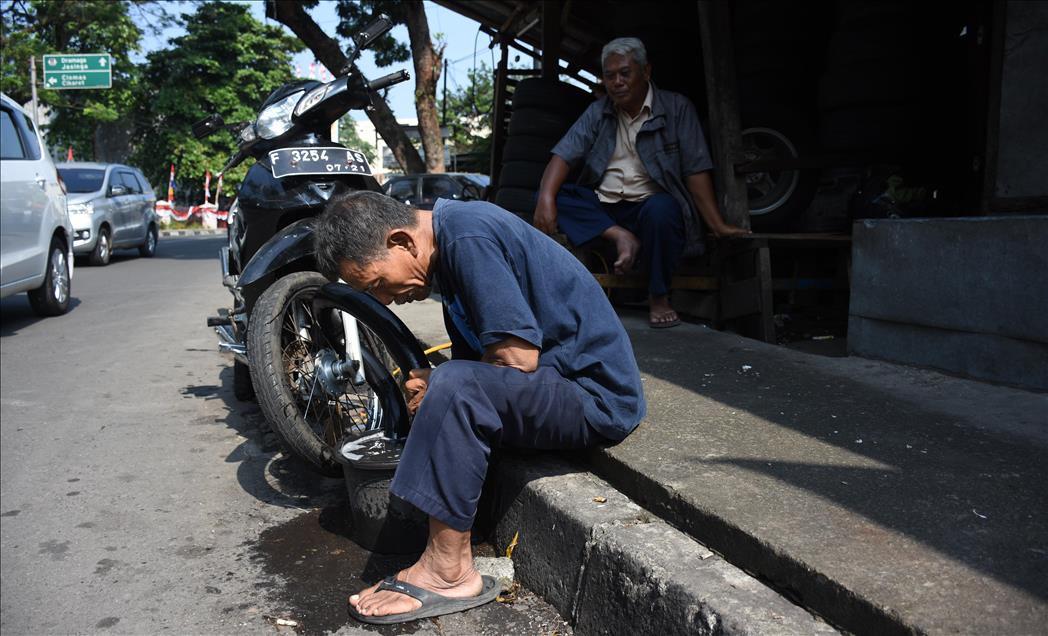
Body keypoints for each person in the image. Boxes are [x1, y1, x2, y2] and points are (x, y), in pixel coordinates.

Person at [313, 190, 646, 624]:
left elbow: (517, 359)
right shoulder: (450, 248)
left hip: (593, 397)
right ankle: (439, 545)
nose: (386, 299)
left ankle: (448, 572)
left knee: (455, 386)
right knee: (447, 382)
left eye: (377, 283)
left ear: (402, 241)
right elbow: (495, 359)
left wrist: (445, 381)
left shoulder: (467, 235)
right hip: (553, 382)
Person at [534, 37, 750, 329]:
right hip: (605, 210)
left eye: (625, 73)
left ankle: (658, 297)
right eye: (610, 76)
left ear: (646, 72)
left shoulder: (676, 109)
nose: (617, 82)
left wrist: (717, 225)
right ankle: (621, 237)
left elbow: (696, 172)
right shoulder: (598, 111)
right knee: (558, 195)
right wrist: (545, 199)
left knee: (663, 211)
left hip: (650, 207)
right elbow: (563, 156)